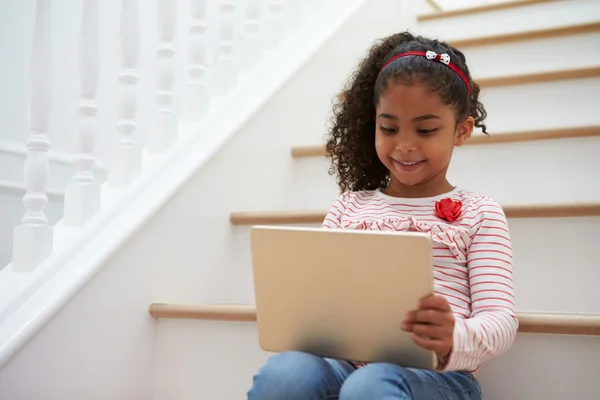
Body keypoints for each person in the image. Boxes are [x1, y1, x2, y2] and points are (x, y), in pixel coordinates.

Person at [247, 31, 517, 400]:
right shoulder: (348, 207)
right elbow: (316, 297)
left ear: (462, 130)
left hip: (437, 375)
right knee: (285, 373)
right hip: (346, 364)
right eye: (389, 128)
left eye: (425, 130)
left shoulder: (479, 212)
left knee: (370, 385)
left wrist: (453, 337)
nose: (404, 144)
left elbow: (501, 321)